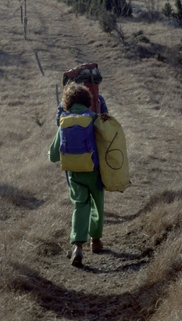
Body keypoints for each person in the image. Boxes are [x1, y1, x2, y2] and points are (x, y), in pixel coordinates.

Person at [49, 82, 105, 267]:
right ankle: (95, 241)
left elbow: (54, 155)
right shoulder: (93, 118)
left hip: (75, 174)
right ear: (87, 100)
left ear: (67, 101)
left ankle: (77, 246)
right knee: (97, 204)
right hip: (94, 172)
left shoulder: (64, 121)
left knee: (80, 205)